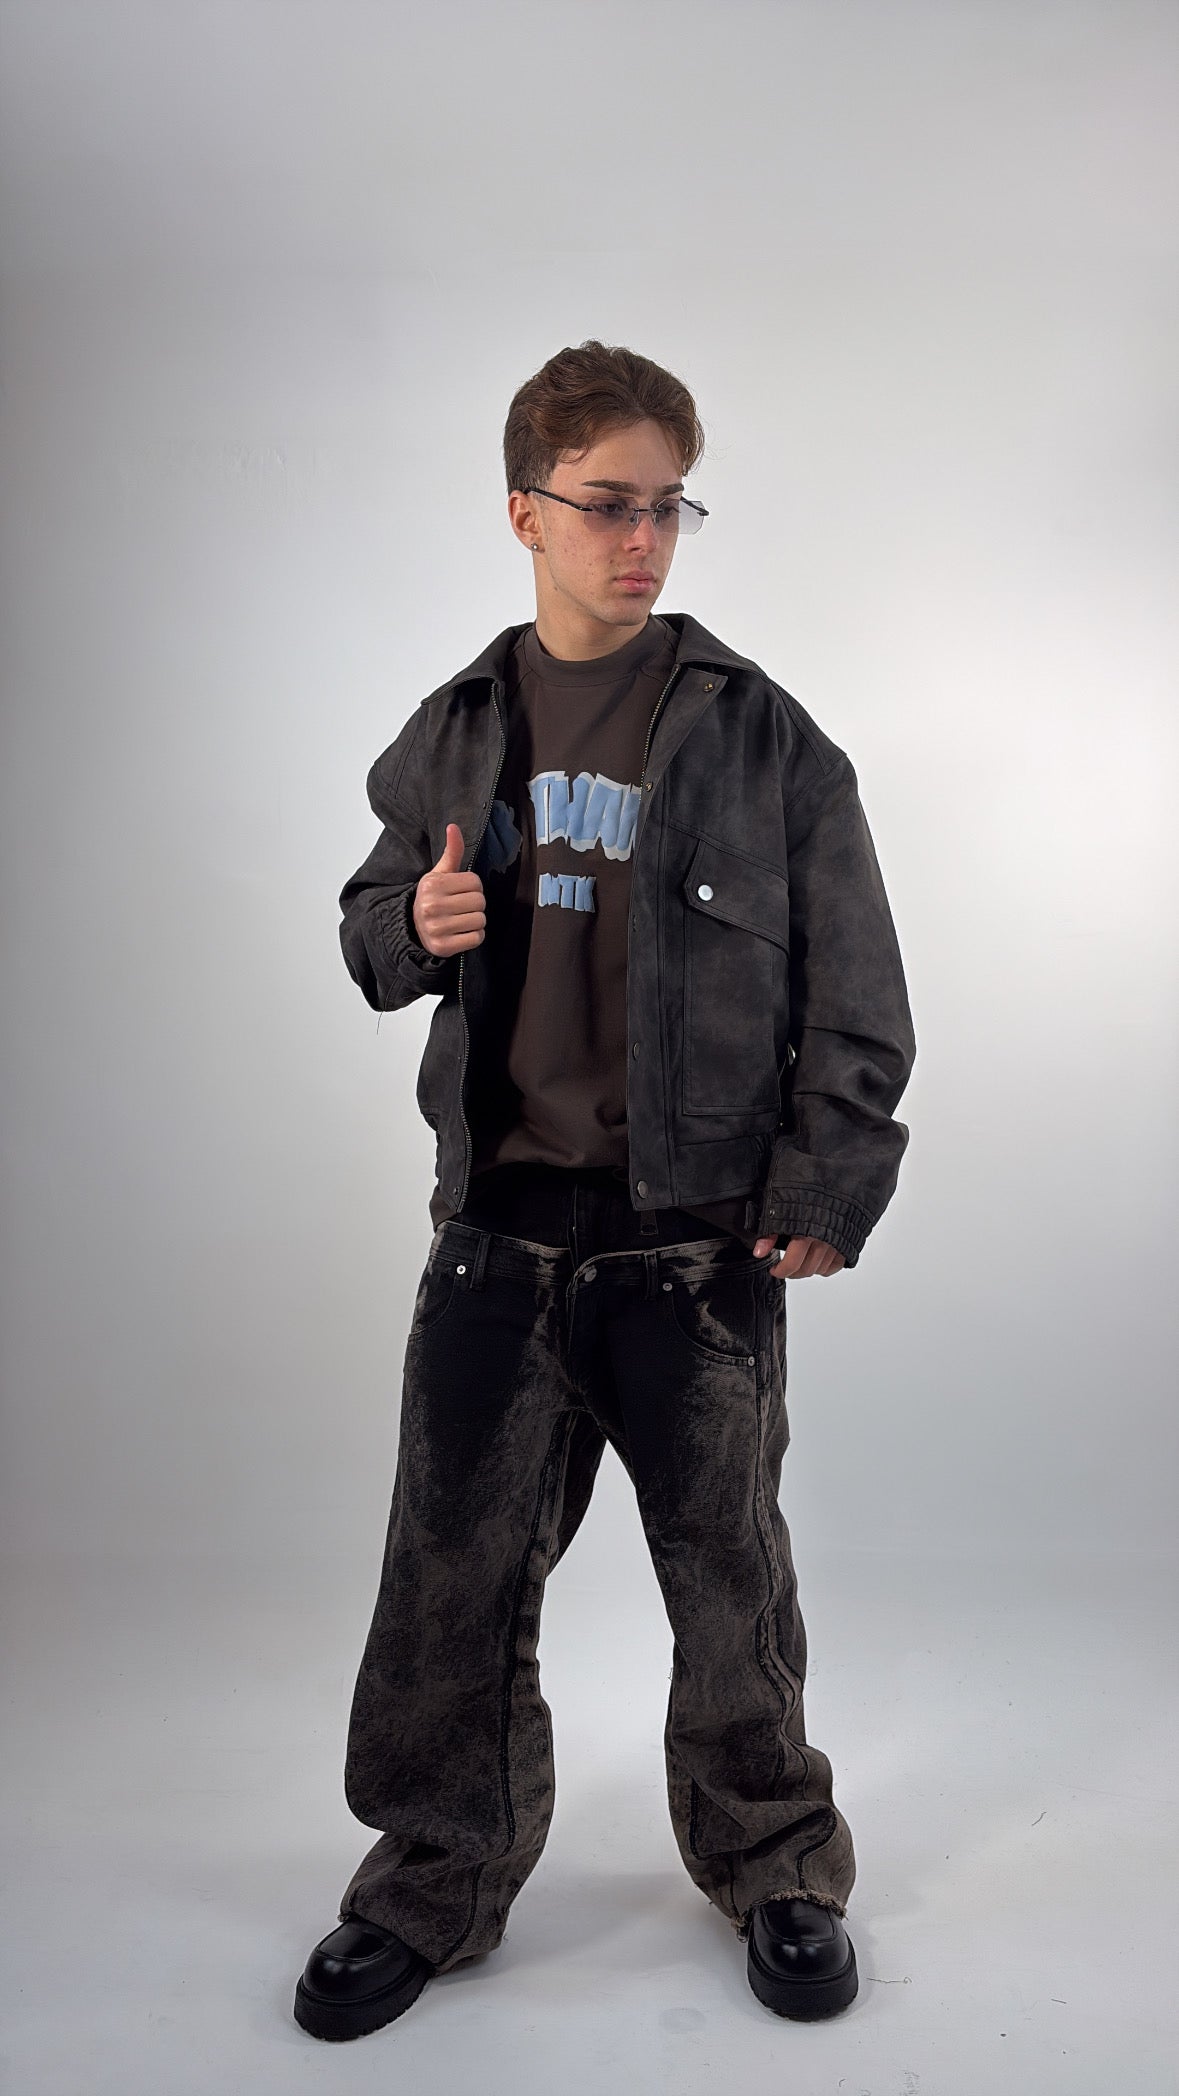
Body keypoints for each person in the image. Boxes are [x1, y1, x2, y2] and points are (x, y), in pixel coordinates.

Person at [293, 340, 916, 2041]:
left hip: (694, 1246)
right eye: (607, 506)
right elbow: (367, 921)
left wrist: (826, 1177)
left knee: (730, 1585)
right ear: (526, 514)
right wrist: (407, 928)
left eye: (668, 508)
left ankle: (776, 1865)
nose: (643, 540)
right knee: (448, 1581)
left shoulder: (762, 737)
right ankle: (430, 1881)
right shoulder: (457, 730)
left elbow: (858, 986)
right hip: (498, 1234)